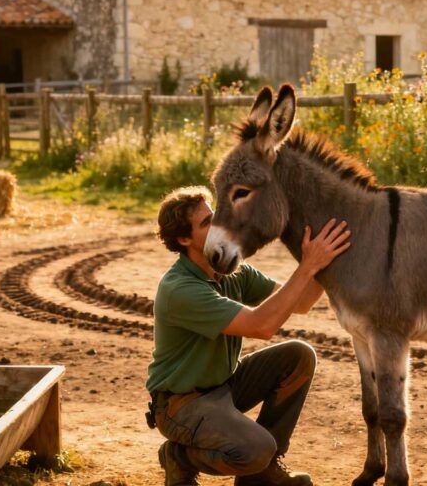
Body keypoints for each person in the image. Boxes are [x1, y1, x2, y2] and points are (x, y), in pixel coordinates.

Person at [146, 186, 350, 486]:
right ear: (184, 239)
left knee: (298, 356)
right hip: (182, 404)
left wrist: (327, 258)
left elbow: (302, 302)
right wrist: (308, 265)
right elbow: (261, 326)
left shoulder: (230, 269)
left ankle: (261, 476)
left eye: (214, 216)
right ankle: (180, 457)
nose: (218, 225)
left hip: (223, 386)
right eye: (206, 223)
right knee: (256, 449)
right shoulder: (180, 289)